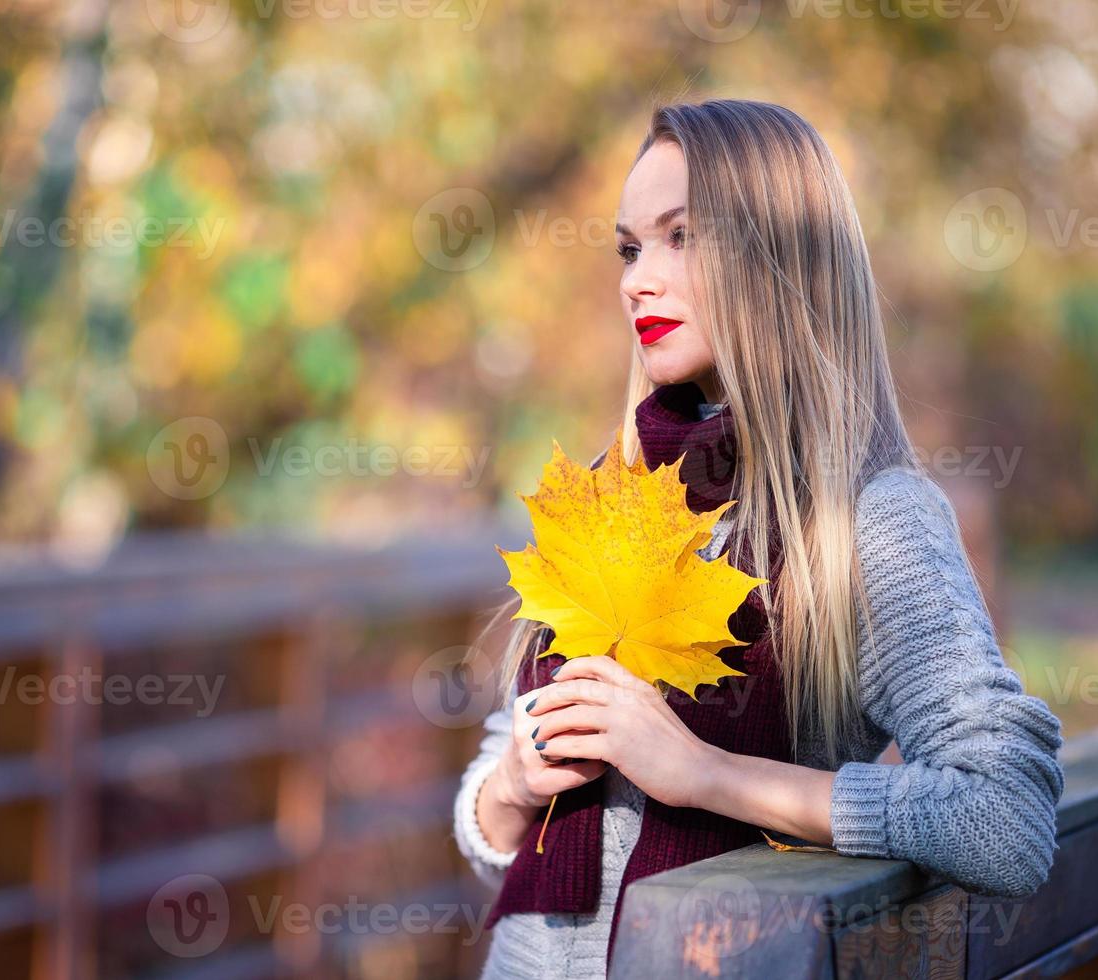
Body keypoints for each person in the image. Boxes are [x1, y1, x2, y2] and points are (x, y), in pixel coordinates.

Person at [451, 98, 1065, 979]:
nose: (636, 278)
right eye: (629, 247)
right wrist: (512, 781)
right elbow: (493, 822)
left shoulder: (866, 518)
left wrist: (708, 774)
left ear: (781, 256)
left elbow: (1005, 820)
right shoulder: (612, 491)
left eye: (681, 236)